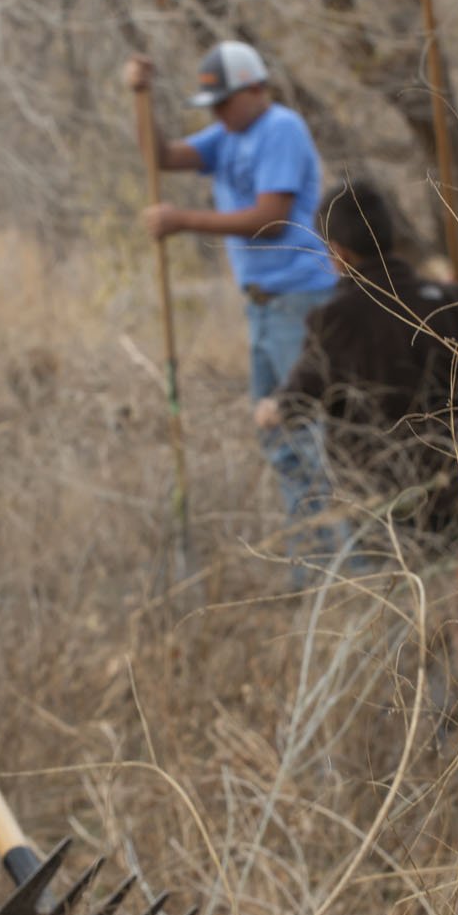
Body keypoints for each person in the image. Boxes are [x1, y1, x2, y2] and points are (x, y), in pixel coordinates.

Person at [125, 44, 338, 556]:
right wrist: (140, 98)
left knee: (308, 431)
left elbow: (271, 217)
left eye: (225, 102)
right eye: (213, 105)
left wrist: (184, 222)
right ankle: (309, 563)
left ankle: (346, 564)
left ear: (255, 90)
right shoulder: (228, 136)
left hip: (300, 298)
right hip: (261, 305)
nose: (218, 113)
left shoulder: (280, 129)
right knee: (277, 434)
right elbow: (162, 156)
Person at [255, 179, 458, 565]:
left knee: (400, 609)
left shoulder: (334, 322)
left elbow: (296, 403)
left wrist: (270, 409)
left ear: (338, 252)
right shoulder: (450, 303)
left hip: (382, 505)